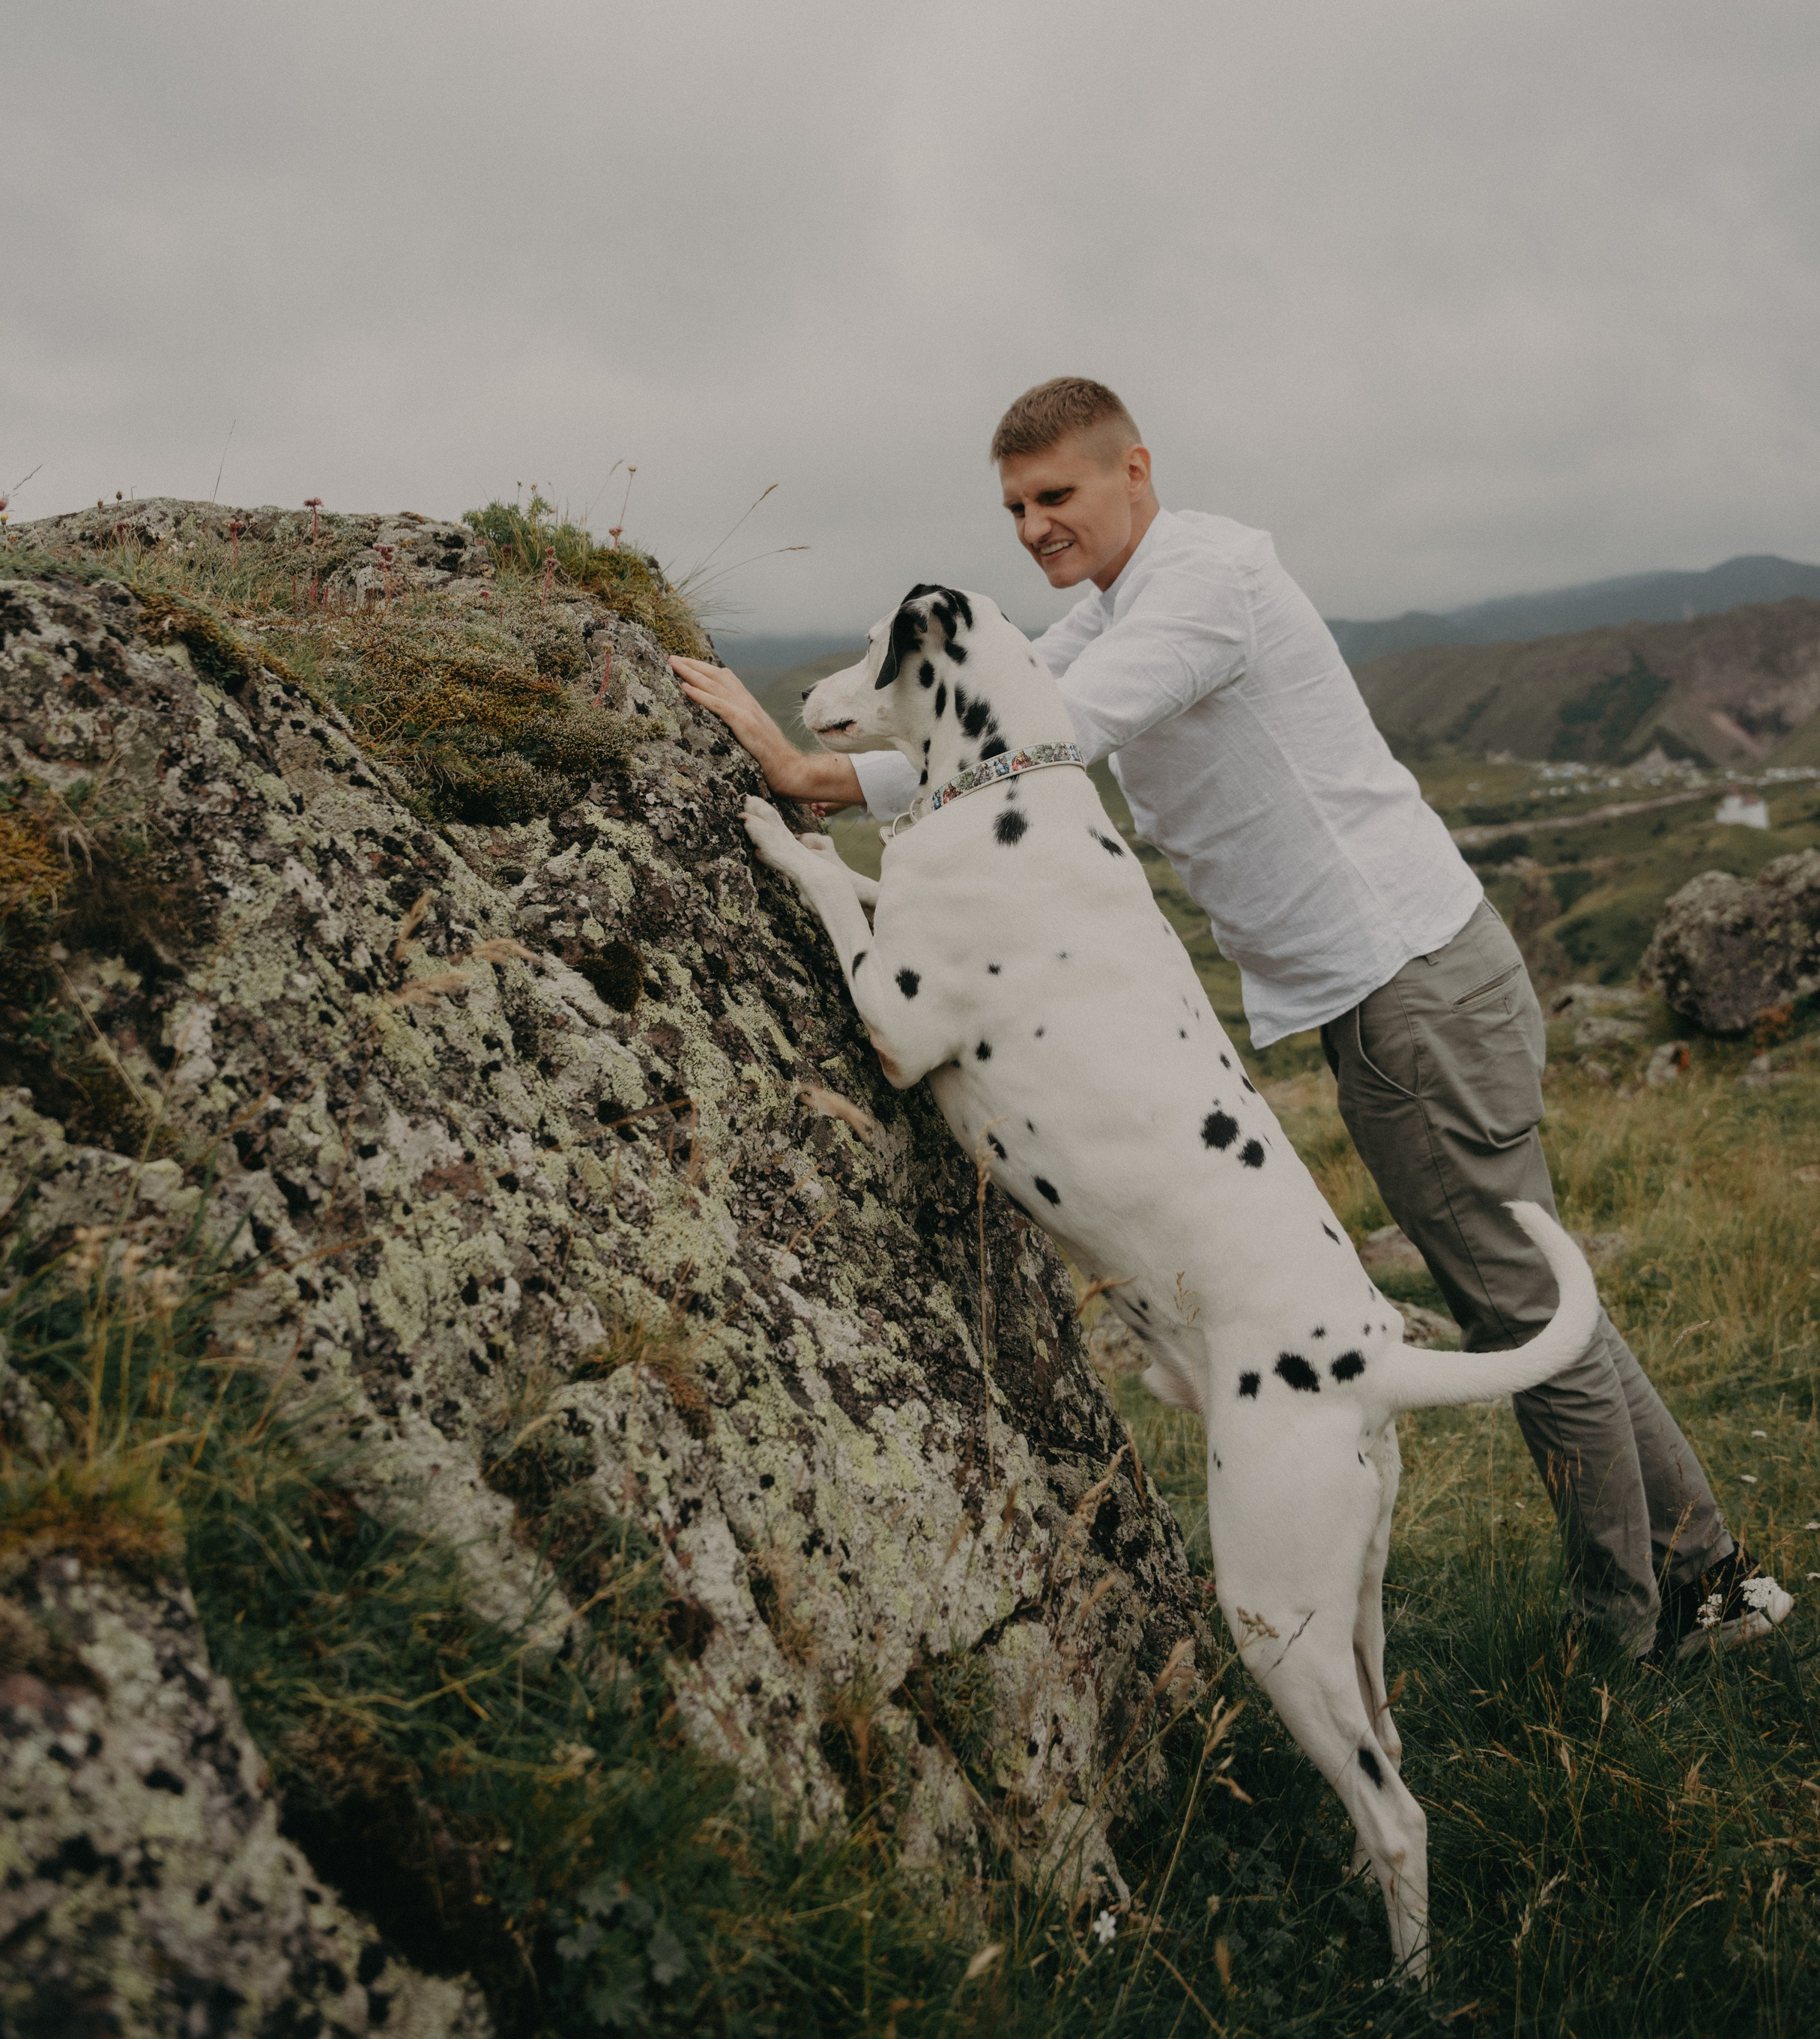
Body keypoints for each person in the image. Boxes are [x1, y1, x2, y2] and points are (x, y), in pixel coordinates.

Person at [671, 375, 1787, 1662]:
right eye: (1016, 506)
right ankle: (1710, 1579)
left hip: (1412, 992)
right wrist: (810, 766)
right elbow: (1010, 701)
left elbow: (1045, 731)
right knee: (1528, 1292)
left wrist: (810, 768)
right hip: (1397, 989)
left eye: (1058, 495)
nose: (1035, 526)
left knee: (1514, 1311)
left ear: (1133, 469)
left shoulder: (1202, 586)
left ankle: (1629, 1638)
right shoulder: (1119, 600)